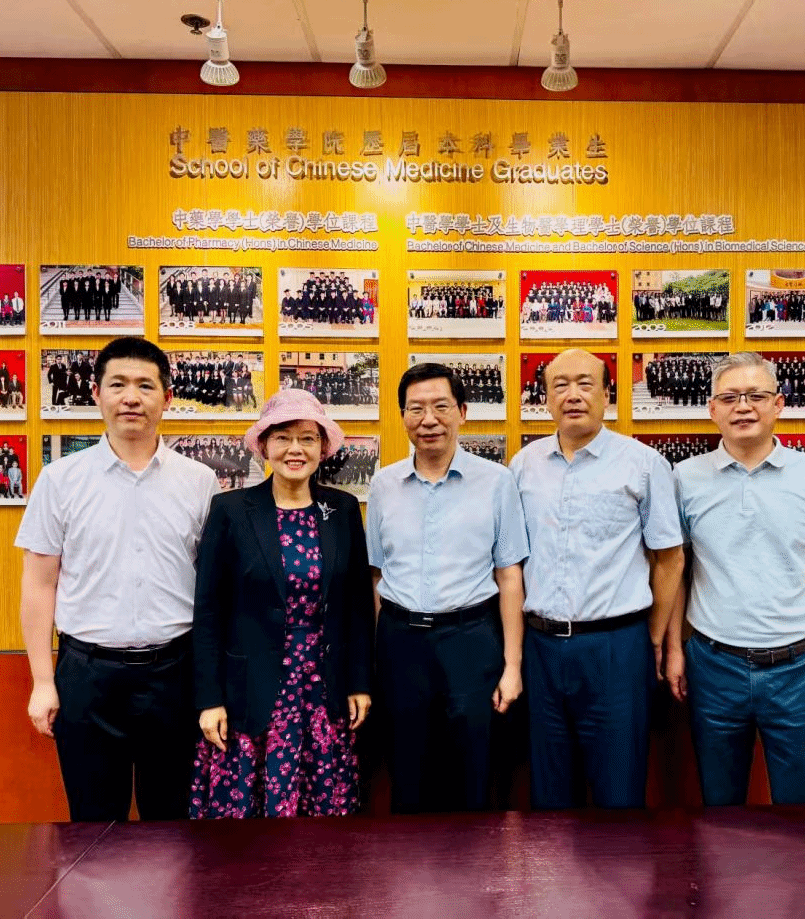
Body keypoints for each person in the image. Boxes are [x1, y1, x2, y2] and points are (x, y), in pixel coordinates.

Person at [15, 337, 220, 821]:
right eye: (118, 384)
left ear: (167, 398)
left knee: (172, 825)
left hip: (175, 674)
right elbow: (39, 584)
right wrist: (42, 681)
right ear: (96, 393)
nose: (131, 397)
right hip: (87, 676)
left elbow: (213, 591)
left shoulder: (199, 481)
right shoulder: (60, 480)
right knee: (92, 825)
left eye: (146, 386)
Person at [669, 351, 805, 806]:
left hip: (799, 669)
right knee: (719, 807)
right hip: (712, 666)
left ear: (778, 404)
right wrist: (674, 649)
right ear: (712, 409)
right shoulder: (684, 478)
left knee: (801, 811)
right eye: (729, 397)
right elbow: (675, 571)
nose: (743, 407)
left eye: (755, 396)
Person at [510, 349, 684, 809]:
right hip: (542, 647)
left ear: (607, 394)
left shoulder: (642, 464)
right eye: (560, 385)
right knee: (549, 794)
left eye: (585, 384)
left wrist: (652, 638)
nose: (573, 395)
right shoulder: (523, 466)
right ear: (545, 399)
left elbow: (670, 559)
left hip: (616, 648)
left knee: (619, 793)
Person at [190, 389, 374, 818]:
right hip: (250, 689)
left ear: (323, 448)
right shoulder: (231, 510)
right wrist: (209, 699)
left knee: (322, 809)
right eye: (283, 437)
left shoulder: (342, 508)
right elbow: (209, 611)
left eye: (308, 438)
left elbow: (357, 606)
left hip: (323, 685)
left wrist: (360, 682)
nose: (296, 449)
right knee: (248, 818)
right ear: (264, 445)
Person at [367, 362, 527, 813]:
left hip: (470, 639)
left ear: (462, 412)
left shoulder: (496, 481)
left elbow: (510, 576)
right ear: (402, 416)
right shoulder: (383, 484)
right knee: (407, 769)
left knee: (474, 769)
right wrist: (381, 652)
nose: (429, 419)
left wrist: (512, 666)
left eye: (441, 406)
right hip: (401, 641)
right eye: (416, 408)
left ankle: (477, 858)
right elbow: (376, 575)